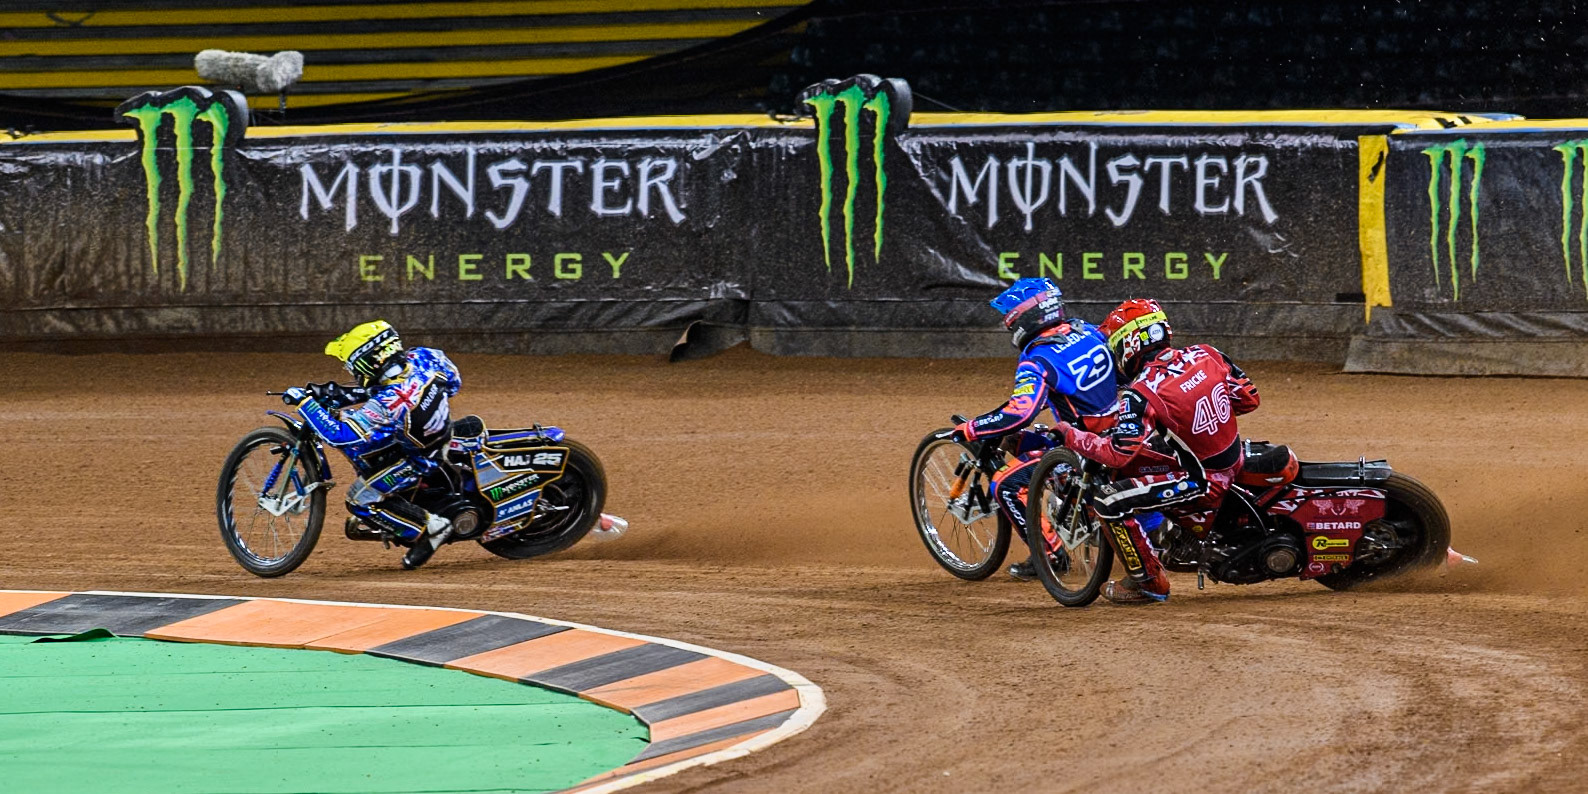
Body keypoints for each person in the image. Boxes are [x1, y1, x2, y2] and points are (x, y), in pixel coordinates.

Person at [1052, 299, 1260, 604]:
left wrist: (1072, 437)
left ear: (1129, 344)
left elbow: (1117, 455)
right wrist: (1194, 424)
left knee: (1108, 501)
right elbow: (1248, 399)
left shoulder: (1142, 392)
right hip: (1234, 456)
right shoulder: (1207, 353)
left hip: (1203, 481)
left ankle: (1148, 583)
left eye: (1116, 344)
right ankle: (1175, 539)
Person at [952, 278, 1120, 581]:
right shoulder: (1087, 330)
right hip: (1120, 428)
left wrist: (973, 429)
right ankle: (1071, 506)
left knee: (1005, 484)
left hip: (1083, 447)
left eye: (1010, 317)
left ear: (1025, 317)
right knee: (1021, 442)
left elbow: (1020, 414)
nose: (1007, 324)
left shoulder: (1037, 358)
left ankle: (1050, 555)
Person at [279, 320, 463, 570]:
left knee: (359, 499)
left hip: (419, 459)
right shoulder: (424, 357)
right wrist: (335, 393)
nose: (352, 371)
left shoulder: (389, 402)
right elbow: (453, 382)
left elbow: (339, 436)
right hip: (437, 433)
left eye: (352, 366)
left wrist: (306, 405)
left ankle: (431, 528)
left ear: (369, 362)